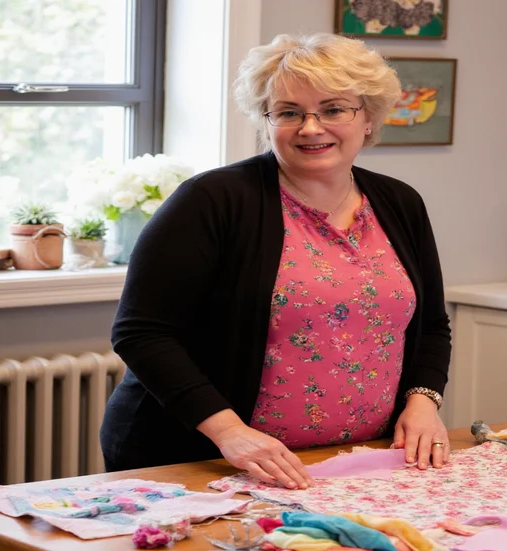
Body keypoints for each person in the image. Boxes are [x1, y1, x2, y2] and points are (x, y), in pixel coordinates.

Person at [100, 32, 452, 490]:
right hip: (207, 459)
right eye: (289, 112)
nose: (311, 127)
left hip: (354, 463)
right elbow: (142, 333)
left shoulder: (400, 203)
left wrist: (423, 402)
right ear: (266, 121)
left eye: (333, 109)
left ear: (368, 119)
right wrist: (231, 434)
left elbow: (430, 326)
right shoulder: (211, 201)